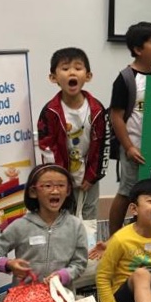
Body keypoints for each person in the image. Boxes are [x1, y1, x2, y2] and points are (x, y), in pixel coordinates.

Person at [107, 21, 151, 241]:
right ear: (138, 49)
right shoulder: (126, 78)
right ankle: (113, 238)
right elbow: (116, 116)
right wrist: (129, 147)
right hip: (134, 149)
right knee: (127, 192)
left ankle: (148, 234)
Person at [0, 164, 88, 286]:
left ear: (68, 191)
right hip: (25, 296)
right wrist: (9, 264)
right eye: (48, 186)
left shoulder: (75, 226)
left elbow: (80, 263)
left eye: (61, 186)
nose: (55, 191)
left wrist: (63, 275)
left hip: (61, 295)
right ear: (33, 192)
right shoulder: (20, 226)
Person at [36, 47, 108, 220]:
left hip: (89, 174)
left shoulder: (97, 110)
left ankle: (87, 245)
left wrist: (93, 176)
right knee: (62, 213)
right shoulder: (50, 111)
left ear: (88, 76)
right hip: (61, 175)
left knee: (89, 212)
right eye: (65, 68)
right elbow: (47, 146)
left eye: (78, 68)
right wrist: (60, 177)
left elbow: (103, 145)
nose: (71, 72)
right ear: (53, 77)